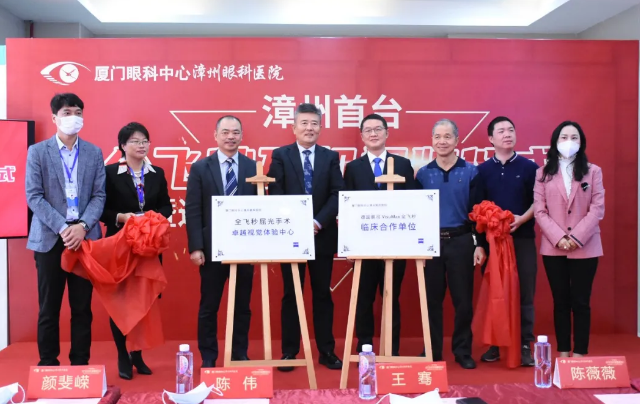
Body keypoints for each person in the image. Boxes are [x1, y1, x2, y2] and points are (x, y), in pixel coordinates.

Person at [25, 93, 106, 366]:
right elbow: (34, 196)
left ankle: (80, 365)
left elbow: (99, 196)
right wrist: (63, 227)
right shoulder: (38, 152)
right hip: (50, 238)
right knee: (49, 307)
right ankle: (48, 364)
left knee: (82, 307)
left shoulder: (94, 152)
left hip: (84, 239)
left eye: (78, 112)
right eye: (67, 112)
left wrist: (82, 226)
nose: (74, 117)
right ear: (54, 118)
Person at [267, 103, 344, 371]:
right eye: (304, 123)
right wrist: (298, 223)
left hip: (322, 235)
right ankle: (289, 352)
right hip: (291, 237)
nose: (309, 128)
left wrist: (317, 222)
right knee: (292, 294)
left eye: (314, 124)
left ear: (320, 128)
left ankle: (327, 351)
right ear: (294, 127)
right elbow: (275, 193)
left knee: (322, 294)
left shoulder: (330, 157)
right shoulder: (280, 155)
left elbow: (337, 193)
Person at [100, 122, 172, 379]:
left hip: (148, 247)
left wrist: (153, 218)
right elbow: (101, 209)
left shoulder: (156, 173)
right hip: (120, 246)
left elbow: (167, 206)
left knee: (144, 300)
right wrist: (123, 217)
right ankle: (122, 354)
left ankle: (137, 354)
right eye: (135, 141)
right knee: (120, 301)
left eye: (145, 141)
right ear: (122, 145)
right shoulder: (109, 172)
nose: (142, 146)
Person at [185, 115, 257, 368]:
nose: (230, 137)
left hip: (244, 248)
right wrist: (196, 247)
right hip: (212, 247)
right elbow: (193, 209)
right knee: (209, 305)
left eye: (235, 132)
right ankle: (208, 356)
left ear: (242, 136)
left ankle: (239, 353)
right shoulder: (200, 168)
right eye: (225, 132)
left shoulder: (253, 167)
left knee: (242, 306)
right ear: (215, 135)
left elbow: (260, 207)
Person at [343, 113, 416, 356]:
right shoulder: (353, 168)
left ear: (387, 133)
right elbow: (347, 207)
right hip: (364, 246)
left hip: (396, 245)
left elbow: (412, 204)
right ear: (362, 136)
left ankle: (391, 349)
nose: (373, 134)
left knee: (391, 297)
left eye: (378, 129)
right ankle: (364, 347)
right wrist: (348, 245)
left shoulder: (402, 164)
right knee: (364, 298)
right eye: (368, 130)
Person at [415, 119, 485, 369]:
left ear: (457, 140)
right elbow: (417, 214)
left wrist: (479, 244)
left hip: (462, 241)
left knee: (463, 300)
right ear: (432, 141)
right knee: (431, 300)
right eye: (437, 137)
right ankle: (432, 349)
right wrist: (419, 248)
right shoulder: (423, 174)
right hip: (431, 243)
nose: (442, 141)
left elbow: (478, 212)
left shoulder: (471, 172)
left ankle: (462, 350)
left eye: (447, 136)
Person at [533, 121, 604, 358]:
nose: (569, 142)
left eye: (575, 137)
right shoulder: (542, 173)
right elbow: (540, 211)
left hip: (586, 246)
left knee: (581, 302)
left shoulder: (593, 171)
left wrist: (575, 237)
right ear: (555, 141)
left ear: (581, 142)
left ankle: (580, 353)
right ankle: (563, 352)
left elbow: (597, 209)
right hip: (554, 247)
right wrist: (559, 238)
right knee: (560, 301)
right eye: (564, 137)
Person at [476, 116, 539, 367]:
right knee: (496, 292)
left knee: (525, 293)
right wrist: (482, 242)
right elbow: (477, 208)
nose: (507, 134)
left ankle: (524, 345)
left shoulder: (530, 168)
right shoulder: (481, 171)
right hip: (492, 243)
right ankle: (495, 343)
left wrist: (522, 219)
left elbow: (539, 201)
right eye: (501, 131)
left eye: (511, 130)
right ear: (490, 138)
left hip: (522, 240)